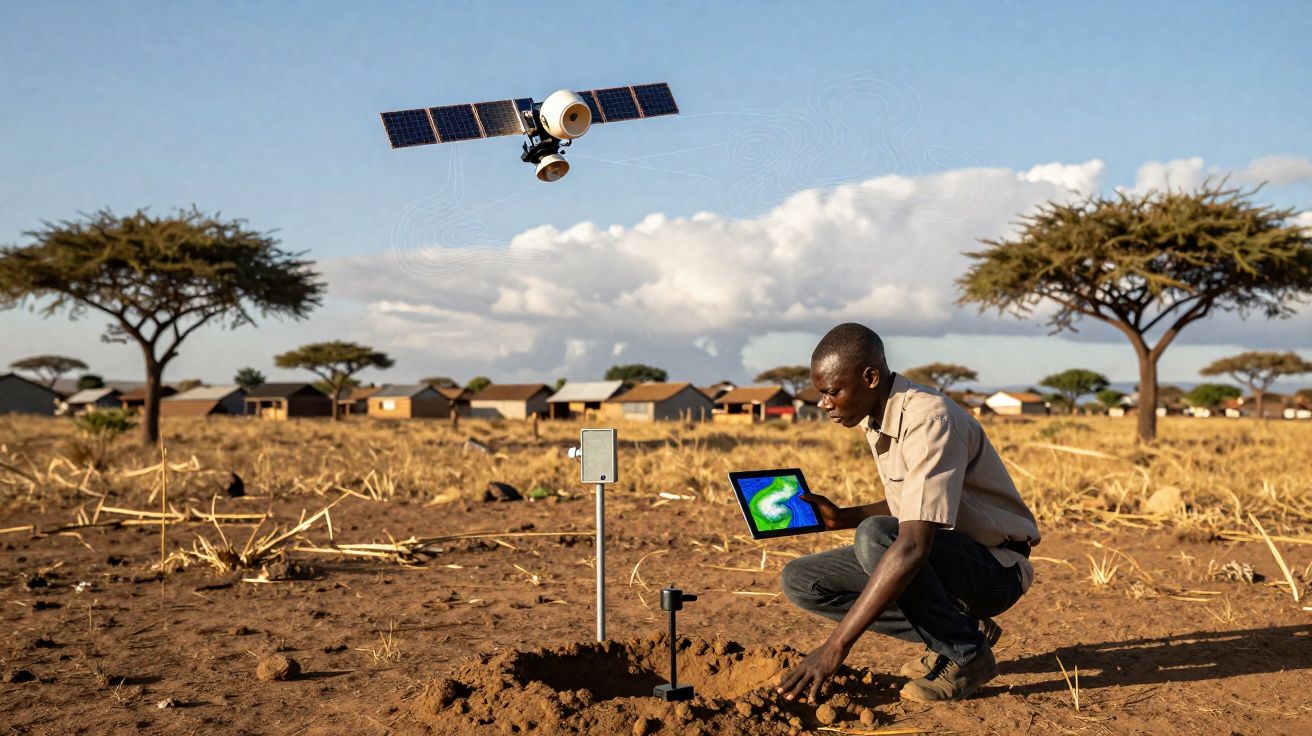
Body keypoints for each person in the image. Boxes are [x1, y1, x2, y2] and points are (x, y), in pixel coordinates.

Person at [776, 323, 1040, 704]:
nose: (824, 403)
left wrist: (835, 648)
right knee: (803, 580)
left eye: (832, 391)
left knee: (877, 537)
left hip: (996, 569)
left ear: (869, 377)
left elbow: (914, 544)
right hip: (949, 555)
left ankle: (967, 654)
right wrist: (841, 516)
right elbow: (914, 505)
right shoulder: (879, 414)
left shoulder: (929, 420)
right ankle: (956, 631)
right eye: (821, 394)